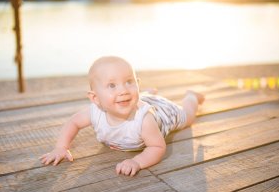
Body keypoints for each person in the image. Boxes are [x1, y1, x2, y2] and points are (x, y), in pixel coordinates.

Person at [40, 56, 204, 176]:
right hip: (136, 101)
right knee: (130, 98)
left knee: (188, 117)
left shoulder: (144, 120)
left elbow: (157, 147)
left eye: (129, 82)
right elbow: (73, 122)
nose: (123, 90)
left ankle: (191, 97)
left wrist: (137, 162)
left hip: (163, 112)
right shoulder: (95, 111)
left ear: (136, 84)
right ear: (95, 98)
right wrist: (61, 147)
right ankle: (148, 94)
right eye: (112, 85)